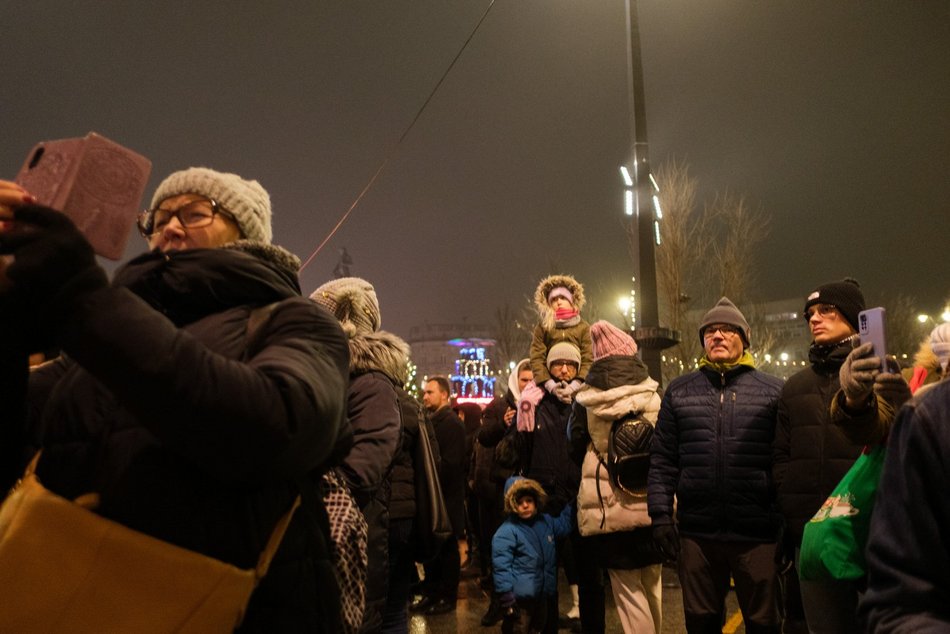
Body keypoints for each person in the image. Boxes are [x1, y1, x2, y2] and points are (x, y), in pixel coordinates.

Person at [0, 169, 351, 632]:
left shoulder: (293, 320)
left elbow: (276, 427)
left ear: (245, 233)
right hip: (71, 599)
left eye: (194, 213)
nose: (169, 226)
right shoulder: (109, 332)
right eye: (160, 216)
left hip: (237, 610)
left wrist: (83, 301)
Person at [649, 297, 784, 634]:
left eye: (727, 329)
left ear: (744, 338)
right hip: (697, 534)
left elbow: (784, 461)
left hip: (758, 534)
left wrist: (786, 520)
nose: (718, 336)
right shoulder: (680, 391)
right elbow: (663, 460)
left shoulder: (773, 391)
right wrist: (661, 517)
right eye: (710, 331)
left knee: (764, 623)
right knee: (701, 622)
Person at [772, 278, 894, 633]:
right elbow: (780, 455)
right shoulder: (794, 386)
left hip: (868, 533)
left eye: (827, 310)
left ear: (854, 317)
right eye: (810, 313)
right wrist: (793, 511)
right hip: (813, 537)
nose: (814, 319)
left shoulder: (879, 375)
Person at [310, 276, 407, 633]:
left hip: (353, 532)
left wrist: (318, 500)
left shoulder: (370, 385)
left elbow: (362, 469)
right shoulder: (335, 379)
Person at [569, 320, 665, 634]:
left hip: (609, 508)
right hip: (651, 503)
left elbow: (573, 445)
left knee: (628, 593)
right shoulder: (652, 393)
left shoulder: (585, 401)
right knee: (653, 584)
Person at [858, 353, 950, 631]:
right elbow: (902, 600)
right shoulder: (932, 414)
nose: (815, 319)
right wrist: (853, 401)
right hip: (844, 517)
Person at [515, 341, 584, 631]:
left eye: (570, 364)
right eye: (558, 364)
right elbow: (523, 449)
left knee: (581, 565)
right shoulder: (533, 403)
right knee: (546, 572)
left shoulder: (584, 401)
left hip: (577, 496)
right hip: (544, 498)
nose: (564, 370)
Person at [475, 357, 533, 626]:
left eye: (532, 379)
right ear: (514, 380)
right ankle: (499, 602)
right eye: (523, 379)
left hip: (530, 489)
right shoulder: (500, 405)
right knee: (500, 551)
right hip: (500, 491)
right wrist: (503, 423)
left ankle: (521, 603)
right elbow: (484, 436)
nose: (528, 384)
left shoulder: (539, 405)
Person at [411, 376, 467, 615]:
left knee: (446, 549)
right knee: (432, 546)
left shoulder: (451, 423)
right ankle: (432, 593)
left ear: (444, 395)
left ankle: (447, 596)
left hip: (446, 496)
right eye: (424, 393)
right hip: (433, 494)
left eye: (430, 392)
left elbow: (452, 464)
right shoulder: (430, 420)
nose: (425, 397)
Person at [492, 476, 575, 634]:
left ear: (536, 501)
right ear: (511, 504)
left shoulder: (545, 521)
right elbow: (501, 567)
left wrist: (574, 505)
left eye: (529, 500)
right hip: (520, 601)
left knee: (538, 628)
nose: (525, 505)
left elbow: (563, 525)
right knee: (519, 629)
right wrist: (507, 598)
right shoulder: (507, 531)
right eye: (519, 501)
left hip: (542, 596)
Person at [529, 275, 593, 403]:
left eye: (563, 298)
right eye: (554, 299)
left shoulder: (584, 327)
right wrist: (550, 386)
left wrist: (575, 385)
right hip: (548, 385)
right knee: (527, 401)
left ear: (572, 301)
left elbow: (589, 358)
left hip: (579, 384)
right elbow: (537, 358)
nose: (558, 302)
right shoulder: (543, 328)